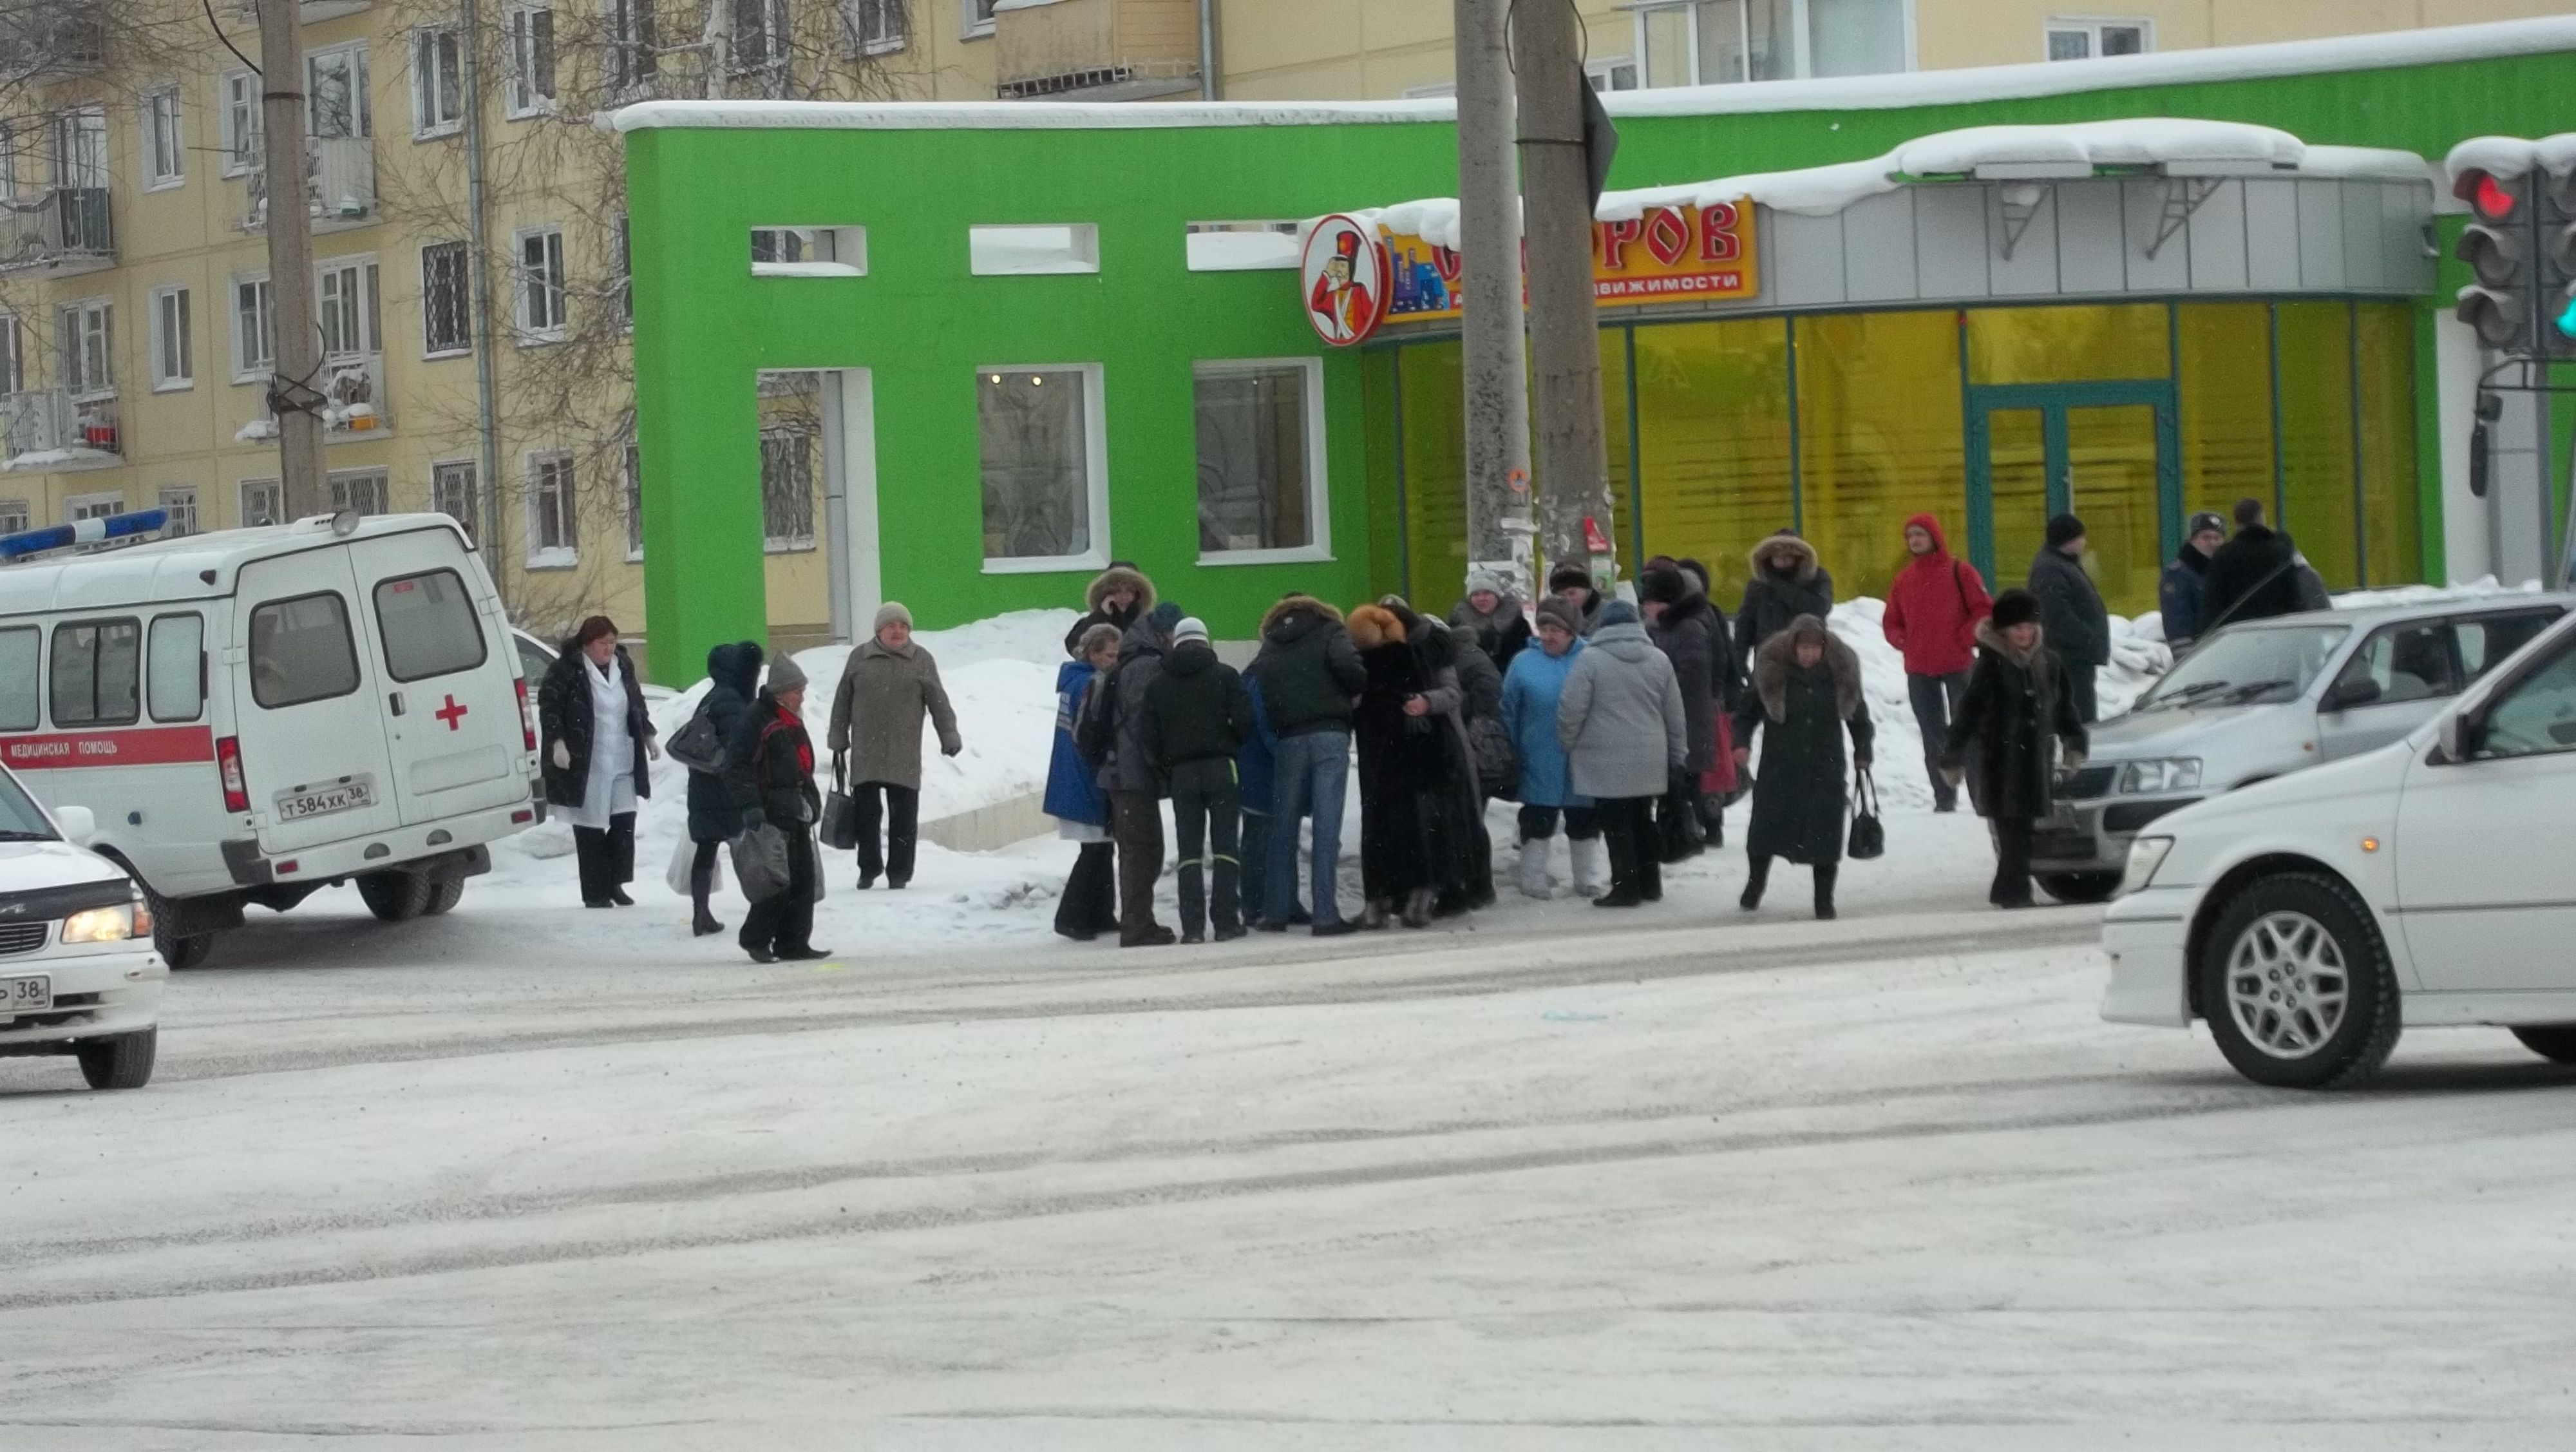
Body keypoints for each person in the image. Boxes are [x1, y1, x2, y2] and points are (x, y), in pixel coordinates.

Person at [1942, 589, 2088, 910]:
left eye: (2029, 627)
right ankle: (2016, 892)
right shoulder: (1990, 665)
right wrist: (1953, 756)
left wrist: (2074, 743)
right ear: (2003, 631)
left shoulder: (2049, 662)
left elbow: (2065, 709)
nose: (2024, 634)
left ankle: (2008, 890)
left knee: (2022, 829)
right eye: (2017, 628)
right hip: (1999, 760)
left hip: (2034, 760)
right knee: (2013, 829)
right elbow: (1968, 712)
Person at [1732, 614, 1873, 921]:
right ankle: (1755, 885)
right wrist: (1740, 743)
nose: (1809, 654)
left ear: (1824, 647)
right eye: (1804, 648)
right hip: (1780, 766)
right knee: (1764, 831)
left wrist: (1863, 751)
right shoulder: (1773, 671)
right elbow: (1746, 713)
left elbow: (1859, 718)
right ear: (1793, 647)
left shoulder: (1840, 673)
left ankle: (1824, 899)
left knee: (1826, 834)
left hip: (1825, 765)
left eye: (1815, 648)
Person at [1246, 594, 1365, 937]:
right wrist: (1350, 692)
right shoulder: (1331, 631)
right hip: (1329, 733)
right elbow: (1351, 669)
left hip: (1288, 740)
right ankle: (1325, 915)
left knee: (1283, 827)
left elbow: (1262, 686)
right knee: (1327, 827)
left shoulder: (1270, 644)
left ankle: (1275, 913)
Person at [1557, 600, 1685, 910]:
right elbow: (1675, 713)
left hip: (1603, 756)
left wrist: (1568, 742)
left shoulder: (1590, 659)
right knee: (1642, 819)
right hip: (1649, 756)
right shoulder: (1659, 659)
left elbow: (1571, 709)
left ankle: (1625, 888)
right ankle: (1650, 884)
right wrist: (1677, 753)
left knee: (1616, 823)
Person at [826, 602, 961, 890]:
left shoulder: (921, 660)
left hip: (903, 751)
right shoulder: (859, 658)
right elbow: (842, 700)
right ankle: (869, 868)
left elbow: (939, 701)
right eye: (892, 625)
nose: (898, 631)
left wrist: (948, 734)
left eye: (903, 626)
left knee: (904, 818)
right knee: (867, 816)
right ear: (879, 630)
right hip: (867, 752)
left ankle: (899, 873)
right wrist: (837, 736)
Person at [1141, 616, 1256, 944]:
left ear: (1176, 642)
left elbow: (1148, 736)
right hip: (1222, 767)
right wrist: (1230, 740)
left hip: (1182, 773)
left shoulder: (1159, 684)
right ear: (1206, 641)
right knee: (1225, 848)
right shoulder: (1225, 675)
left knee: (1189, 851)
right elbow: (1247, 721)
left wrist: (1168, 763)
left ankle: (1192, 928)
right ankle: (1225, 923)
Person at [539, 615, 658, 910]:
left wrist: (647, 735)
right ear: (587, 644)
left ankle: (615, 882)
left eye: (612, 643)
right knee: (590, 827)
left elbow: (636, 701)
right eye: (603, 644)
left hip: (622, 755)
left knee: (624, 820)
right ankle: (595, 892)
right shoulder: (567, 669)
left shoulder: (623, 665)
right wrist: (558, 743)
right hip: (585, 761)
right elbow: (550, 706)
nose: (609, 649)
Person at [1084, 600, 1183, 946]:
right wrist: (1161, 765)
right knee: (1141, 851)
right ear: (1163, 634)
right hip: (1130, 774)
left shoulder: (1135, 661)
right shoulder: (1146, 666)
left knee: (1142, 849)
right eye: (1175, 634)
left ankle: (1139, 922)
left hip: (1125, 772)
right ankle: (1137, 926)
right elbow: (1144, 724)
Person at [1882, 513, 1991, 814]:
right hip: (1919, 668)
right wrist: (1901, 639)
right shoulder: (1904, 579)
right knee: (1932, 735)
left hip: (1958, 664)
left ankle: (1980, 796)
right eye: (1910, 536)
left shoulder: (1961, 572)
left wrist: (1966, 636)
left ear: (1934, 537)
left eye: (1920, 534)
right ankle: (1943, 796)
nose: (1915, 541)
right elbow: (1892, 621)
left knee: (1968, 730)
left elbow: (1983, 610)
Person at [1349, 603, 1450, 930]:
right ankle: (1419, 900)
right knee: (1414, 829)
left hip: (1376, 764)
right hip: (1413, 761)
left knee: (1377, 833)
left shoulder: (1359, 671)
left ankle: (1377, 904)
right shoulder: (1412, 659)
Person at [725, 654, 827, 964]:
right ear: (780, 693)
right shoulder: (758, 720)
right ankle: (756, 940)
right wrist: (751, 806)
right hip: (771, 811)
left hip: (795, 808)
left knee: (803, 881)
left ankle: (793, 943)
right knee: (776, 881)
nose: (802, 696)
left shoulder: (789, 719)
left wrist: (811, 799)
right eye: (797, 690)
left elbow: (801, 766)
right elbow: (736, 766)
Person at [1501, 597, 1598, 897]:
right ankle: (1532, 879)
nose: (1548, 635)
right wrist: (1513, 749)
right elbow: (1509, 710)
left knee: (1584, 819)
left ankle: (1586, 878)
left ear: (1572, 631)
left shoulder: (1591, 659)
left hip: (1582, 756)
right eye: (1543, 627)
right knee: (1538, 819)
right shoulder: (1523, 662)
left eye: (1556, 629)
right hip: (1538, 755)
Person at [1047, 624, 1121, 942]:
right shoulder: (1091, 683)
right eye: (1109, 655)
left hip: (1073, 777)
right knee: (1094, 851)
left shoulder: (1075, 680)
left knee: (1102, 849)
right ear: (1092, 654)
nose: (1115, 661)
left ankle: (1100, 913)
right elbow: (1091, 737)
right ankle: (1072, 917)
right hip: (1086, 779)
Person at [685, 641, 764, 937]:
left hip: (704, 785)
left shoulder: (711, 696)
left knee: (706, 849)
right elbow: (737, 746)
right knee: (749, 849)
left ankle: (700, 913)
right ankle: (764, 907)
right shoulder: (731, 700)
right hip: (723, 788)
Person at [1640, 567, 1718, 865]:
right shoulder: (1660, 628)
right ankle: (1680, 837)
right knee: (1676, 785)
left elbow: (1692, 675)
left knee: (1685, 784)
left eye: (1651, 602)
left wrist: (1656, 689)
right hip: (1673, 720)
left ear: (1667, 603)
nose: (1646, 608)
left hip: (1687, 721)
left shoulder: (1687, 629)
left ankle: (1688, 838)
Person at [1676, 557, 1745, 846]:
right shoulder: (1688, 617)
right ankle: (1704, 823)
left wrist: (1725, 696)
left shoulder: (1707, 616)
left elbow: (1725, 658)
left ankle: (1711, 824)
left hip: (1709, 701)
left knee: (1709, 768)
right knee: (1705, 767)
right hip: (1705, 699)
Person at [2029, 513, 2110, 725]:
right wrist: (2087, 637)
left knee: (2080, 713)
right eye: (2081, 537)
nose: (2084, 542)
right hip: (2069, 657)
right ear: (2070, 539)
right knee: (2077, 716)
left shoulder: (2065, 564)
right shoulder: (2051, 568)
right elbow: (2056, 616)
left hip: (2076, 656)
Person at [2202, 497, 2306, 630]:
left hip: (2239, 634)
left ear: (2236, 522)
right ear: (2262, 518)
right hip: (2278, 632)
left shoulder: (2224, 554)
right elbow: (2295, 597)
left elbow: (2212, 602)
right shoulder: (2281, 552)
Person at [1736, 530, 1833, 663]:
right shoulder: (1758, 584)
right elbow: (1746, 624)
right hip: (1769, 659)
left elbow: (1819, 607)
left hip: (1808, 659)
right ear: (1769, 557)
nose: (1782, 559)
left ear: (1798, 556)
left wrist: (1779, 585)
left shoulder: (1816, 578)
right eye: (1777, 555)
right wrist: (1738, 662)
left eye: (1788, 555)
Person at [2159, 511, 2228, 649]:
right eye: (2206, 538)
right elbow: (2177, 623)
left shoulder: (2225, 571)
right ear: (2192, 540)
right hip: (2198, 652)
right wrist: (2185, 656)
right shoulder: (2178, 575)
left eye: (2217, 538)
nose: (2212, 543)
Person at [1063, 562, 1155, 658]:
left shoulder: (1147, 625)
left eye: (1129, 591)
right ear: (1107, 594)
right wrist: (1101, 615)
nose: (1124, 597)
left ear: (1137, 594)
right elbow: (1074, 646)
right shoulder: (1093, 621)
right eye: (1117, 591)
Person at [1450, 567, 1533, 673]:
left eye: (1487, 593)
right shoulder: (1459, 625)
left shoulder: (1517, 625)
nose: (1481, 598)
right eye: (1476, 594)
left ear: (1497, 596)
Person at [1548, 564, 1605, 635]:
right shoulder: (1555, 620)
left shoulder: (1609, 614)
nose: (1567, 599)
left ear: (1588, 590)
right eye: (1561, 596)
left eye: (1572, 593)